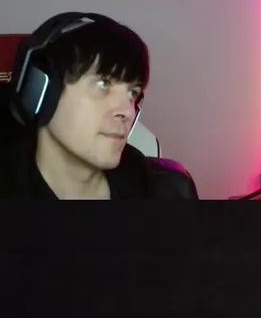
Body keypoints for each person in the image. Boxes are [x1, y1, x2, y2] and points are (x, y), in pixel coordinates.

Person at [0, 12, 197, 199]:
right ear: (40, 91)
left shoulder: (164, 192)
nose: (128, 111)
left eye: (132, 93)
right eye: (104, 84)